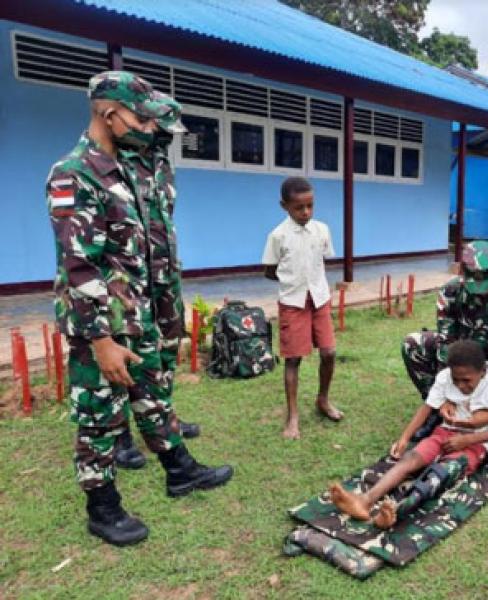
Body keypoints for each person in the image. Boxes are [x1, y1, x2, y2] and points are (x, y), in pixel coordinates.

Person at [46, 71, 233, 546]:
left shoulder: (127, 167)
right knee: (98, 415)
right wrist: (101, 340)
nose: (148, 128)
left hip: (139, 312)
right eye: (140, 118)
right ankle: (102, 507)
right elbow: (79, 266)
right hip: (102, 324)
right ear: (110, 114)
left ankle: (180, 470)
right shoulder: (73, 173)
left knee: (152, 394)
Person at [329, 340, 488, 529]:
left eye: (466, 380)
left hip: (476, 442)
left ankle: (394, 514)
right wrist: (404, 438)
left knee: (440, 474)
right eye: (455, 379)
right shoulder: (445, 377)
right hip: (446, 432)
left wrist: (467, 439)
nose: (460, 385)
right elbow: (427, 408)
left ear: (482, 371)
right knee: (411, 458)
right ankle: (365, 501)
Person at [114, 91, 201, 470]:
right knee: (126, 353)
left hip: (164, 275)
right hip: (129, 281)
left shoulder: (162, 164)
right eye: (160, 129)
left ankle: (163, 422)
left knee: (165, 349)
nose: (164, 137)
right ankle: (119, 437)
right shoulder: (115, 163)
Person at [401, 240, 488, 440]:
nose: (479, 294)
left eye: (485, 287)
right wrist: (445, 396)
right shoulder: (450, 293)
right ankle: (436, 411)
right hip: (462, 365)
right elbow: (446, 346)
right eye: (473, 286)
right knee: (413, 344)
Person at [262, 176, 341, 439]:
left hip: (319, 299)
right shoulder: (278, 236)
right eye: (299, 207)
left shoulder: (322, 230)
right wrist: (292, 282)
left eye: (310, 206)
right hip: (293, 302)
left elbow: (321, 261)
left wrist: (312, 283)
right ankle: (293, 416)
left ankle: (323, 399)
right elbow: (269, 271)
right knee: (293, 359)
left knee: (329, 352)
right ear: (284, 206)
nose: (305, 212)